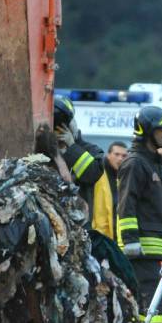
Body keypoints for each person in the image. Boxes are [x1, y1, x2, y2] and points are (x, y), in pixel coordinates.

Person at [117, 105, 162, 323]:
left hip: (157, 246)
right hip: (141, 247)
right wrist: (130, 241)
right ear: (148, 131)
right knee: (147, 298)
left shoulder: (155, 164)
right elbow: (125, 205)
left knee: (157, 297)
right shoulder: (135, 164)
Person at [52, 95, 105, 227]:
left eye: (63, 125)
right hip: (52, 222)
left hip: (79, 224)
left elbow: (92, 174)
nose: (59, 130)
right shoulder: (44, 151)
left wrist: (72, 146)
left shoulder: (91, 150)